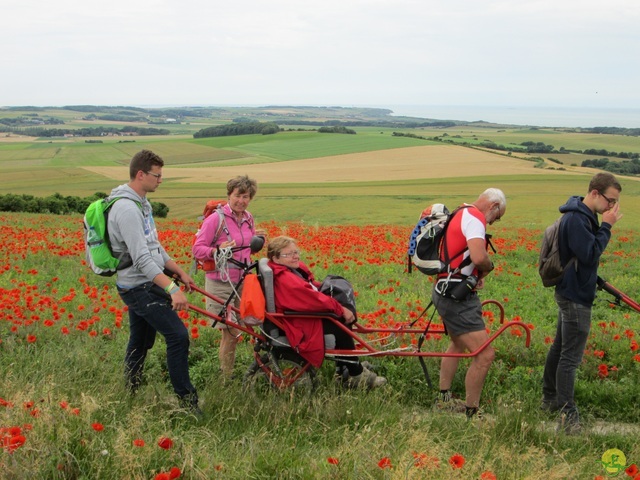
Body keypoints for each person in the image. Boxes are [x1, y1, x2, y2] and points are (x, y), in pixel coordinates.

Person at [108, 150, 200, 414]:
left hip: (145, 281)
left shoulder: (141, 203)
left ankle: (130, 390)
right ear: (141, 174)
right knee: (178, 336)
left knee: (141, 340)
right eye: (157, 175)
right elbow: (140, 259)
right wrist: (171, 289)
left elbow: (153, 246)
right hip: (138, 286)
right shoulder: (126, 209)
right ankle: (188, 402)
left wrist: (178, 271)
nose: (160, 180)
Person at [542, 172, 622, 434]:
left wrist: (595, 279)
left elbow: (579, 255)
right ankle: (567, 416)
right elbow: (588, 254)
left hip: (572, 290)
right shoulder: (578, 218)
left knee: (560, 348)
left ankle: (550, 399)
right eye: (610, 201)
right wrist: (607, 226)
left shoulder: (581, 215)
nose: (612, 207)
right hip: (575, 296)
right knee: (570, 358)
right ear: (595, 193)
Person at [267, 236, 387, 389]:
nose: (295, 256)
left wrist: (328, 289)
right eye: (289, 254)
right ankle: (355, 373)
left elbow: (310, 287)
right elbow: (312, 299)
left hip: (298, 319)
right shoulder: (286, 279)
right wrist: (339, 307)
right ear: (275, 258)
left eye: (296, 252)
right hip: (298, 325)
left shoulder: (288, 271)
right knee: (339, 324)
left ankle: (345, 367)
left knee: (340, 317)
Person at [432, 188, 506, 419]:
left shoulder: (460, 212)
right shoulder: (475, 218)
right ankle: (472, 413)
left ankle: (444, 399)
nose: (493, 223)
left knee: (457, 344)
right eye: (498, 217)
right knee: (485, 355)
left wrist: (470, 277)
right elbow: (478, 256)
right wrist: (488, 267)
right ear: (493, 206)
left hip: (446, 289)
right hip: (457, 298)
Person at [192, 175, 263, 379]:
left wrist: (258, 241)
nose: (242, 200)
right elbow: (197, 249)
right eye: (238, 195)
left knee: (250, 328)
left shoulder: (248, 218)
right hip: (221, 282)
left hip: (244, 280)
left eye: (246, 196)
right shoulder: (216, 219)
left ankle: (250, 370)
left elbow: (247, 248)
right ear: (229, 195)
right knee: (230, 333)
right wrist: (216, 250)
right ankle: (226, 377)